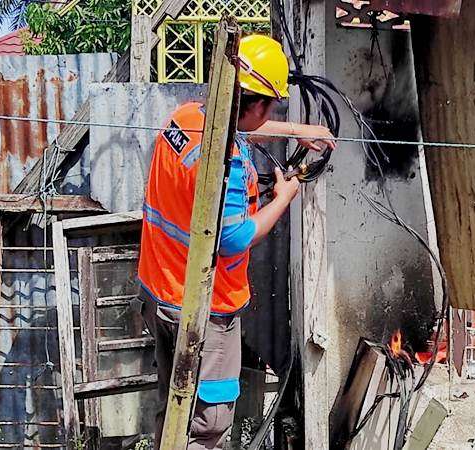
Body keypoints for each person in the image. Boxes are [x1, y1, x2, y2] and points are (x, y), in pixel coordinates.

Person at [137, 34, 335, 449]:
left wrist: (296, 130)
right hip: (204, 310)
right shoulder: (226, 162)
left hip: (161, 291)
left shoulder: (185, 118)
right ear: (259, 104)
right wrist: (283, 198)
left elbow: (236, 126)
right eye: (272, 105)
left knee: (173, 409)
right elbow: (235, 237)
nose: (271, 113)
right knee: (207, 426)